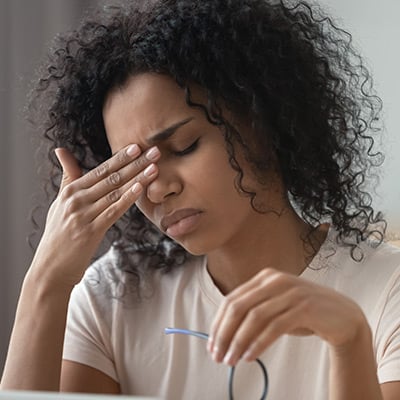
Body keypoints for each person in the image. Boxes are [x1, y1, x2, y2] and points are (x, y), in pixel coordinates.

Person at [1, 0, 400, 398]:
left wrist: (350, 344)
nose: (157, 189)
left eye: (183, 145)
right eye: (135, 170)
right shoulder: (116, 295)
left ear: (264, 119)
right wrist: (46, 282)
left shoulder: (387, 290)